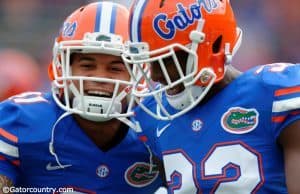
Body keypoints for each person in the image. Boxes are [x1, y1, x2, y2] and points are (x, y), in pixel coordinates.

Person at [122, 0, 300, 193]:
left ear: (212, 45)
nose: (155, 75)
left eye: (166, 60)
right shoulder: (151, 117)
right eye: (149, 61)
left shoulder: (274, 95)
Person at [0, 2, 163, 193]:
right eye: (87, 66)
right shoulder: (17, 121)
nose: (100, 77)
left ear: (139, 72)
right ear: (62, 67)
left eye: (115, 68)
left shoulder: (157, 128)